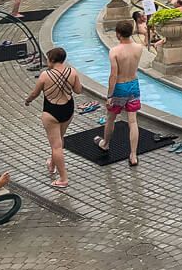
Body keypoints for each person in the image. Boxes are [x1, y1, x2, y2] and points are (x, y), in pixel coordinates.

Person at [24, 47, 82, 188]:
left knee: (56, 146)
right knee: (59, 139)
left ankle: (63, 179)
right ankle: (52, 164)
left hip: (51, 111)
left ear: (52, 60)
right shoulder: (72, 72)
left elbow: (35, 93)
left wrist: (28, 100)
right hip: (68, 109)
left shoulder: (45, 75)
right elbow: (78, 91)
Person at [95, 21, 144, 167]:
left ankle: (105, 144)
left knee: (111, 118)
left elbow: (113, 76)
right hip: (134, 85)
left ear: (117, 33)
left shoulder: (114, 51)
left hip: (120, 87)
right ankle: (133, 155)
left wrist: (110, 95)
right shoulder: (139, 48)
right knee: (133, 121)